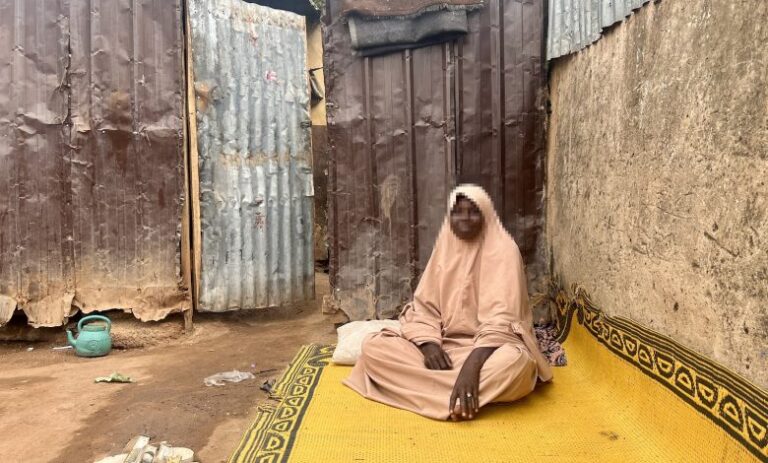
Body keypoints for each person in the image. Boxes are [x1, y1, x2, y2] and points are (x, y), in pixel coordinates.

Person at [343, 184, 553, 420]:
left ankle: (434, 392)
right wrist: (429, 346)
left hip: (488, 351)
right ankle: (459, 397)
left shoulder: (504, 249)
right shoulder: (444, 246)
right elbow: (424, 308)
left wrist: (470, 370)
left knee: (515, 366)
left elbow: (503, 321)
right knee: (374, 347)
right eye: (457, 211)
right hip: (444, 348)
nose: (464, 218)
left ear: (486, 215)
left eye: (473, 212)